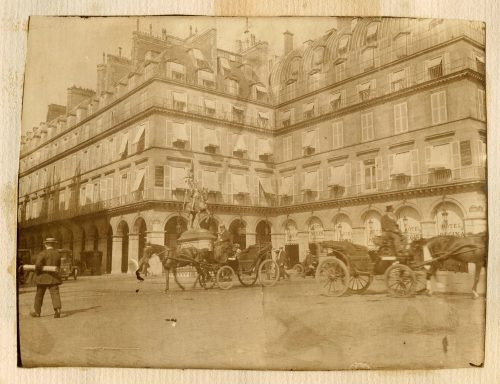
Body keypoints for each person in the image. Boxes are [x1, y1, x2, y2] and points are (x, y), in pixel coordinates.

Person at [30, 238, 62, 318]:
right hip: (54, 277)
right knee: (55, 294)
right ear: (54, 244)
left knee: (39, 295)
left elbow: (37, 265)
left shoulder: (42, 253)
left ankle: (37, 312)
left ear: (45, 244)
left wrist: (38, 273)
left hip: (42, 278)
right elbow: (58, 266)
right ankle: (57, 310)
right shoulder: (57, 254)